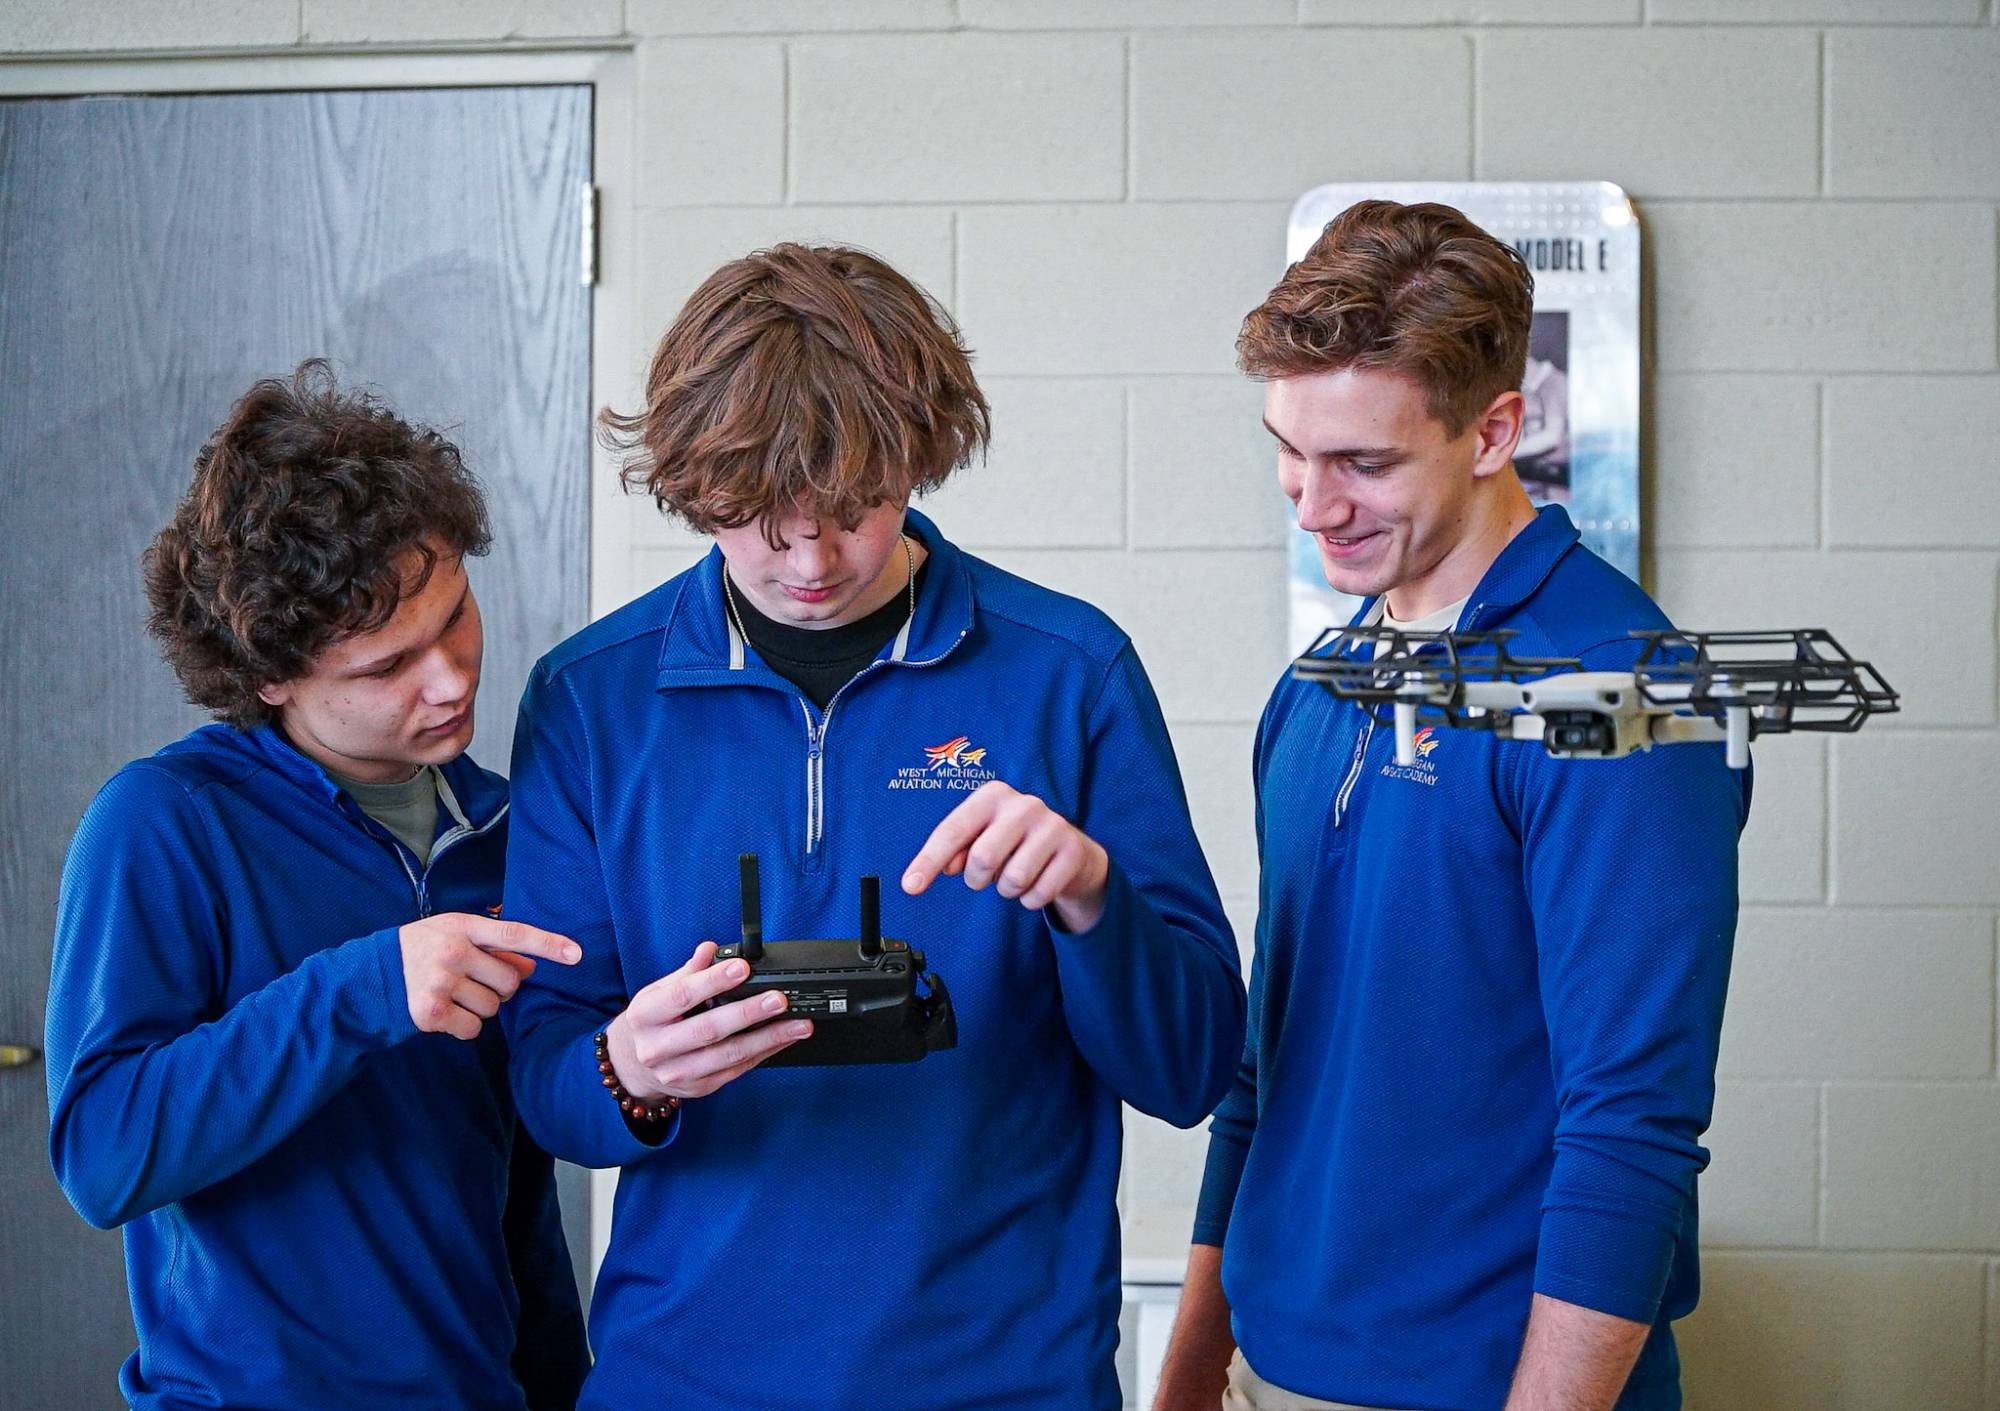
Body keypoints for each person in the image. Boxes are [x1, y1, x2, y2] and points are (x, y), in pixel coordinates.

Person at [500, 243, 1247, 1411]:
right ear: (695, 483)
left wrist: (1094, 901)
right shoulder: (591, 700)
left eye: (851, 512)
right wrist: (628, 1068)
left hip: (1001, 1383)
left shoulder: (1066, 673)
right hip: (682, 1380)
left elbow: (1193, 1066)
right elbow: (542, 1074)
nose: (809, 560)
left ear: (919, 461)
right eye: (758, 519)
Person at [1152, 202, 1750, 1411]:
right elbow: (1263, 1072)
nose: (1310, 506)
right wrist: (1189, 1372)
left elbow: (1630, 1126)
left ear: (1493, 431)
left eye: (1362, 464)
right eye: (1288, 449)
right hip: (1278, 1370)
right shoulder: (1314, 690)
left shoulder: (1623, 693)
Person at [45, 361, 591, 1411]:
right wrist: (366, 990)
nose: (452, 678)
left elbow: (515, 1195)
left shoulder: (514, 830)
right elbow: (105, 1154)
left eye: (455, 615)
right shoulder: (164, 824)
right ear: (266, 674)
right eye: (388, 666)